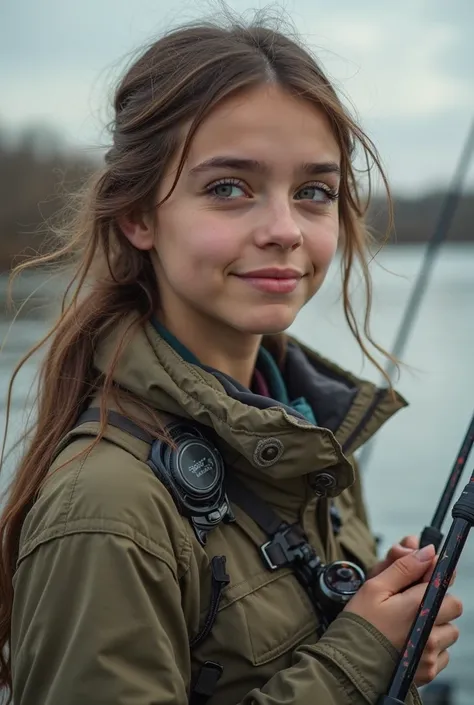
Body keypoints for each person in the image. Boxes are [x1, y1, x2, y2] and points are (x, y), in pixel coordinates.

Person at [0, 13, 463, 705]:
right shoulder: (106, 510)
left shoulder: (305, 433)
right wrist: (358, 658)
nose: (283, 229)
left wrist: (380, 625)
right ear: (139, 216)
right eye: (228, 188)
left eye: (314, 192)